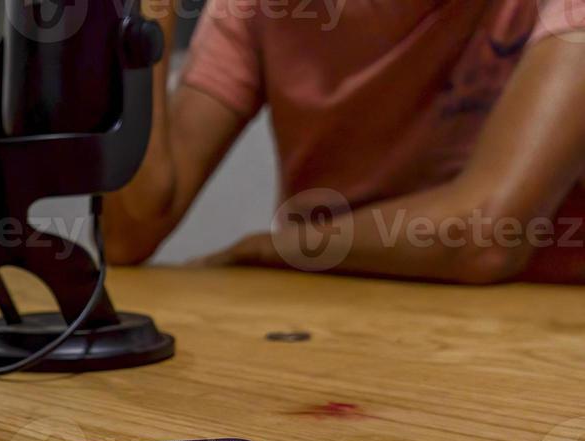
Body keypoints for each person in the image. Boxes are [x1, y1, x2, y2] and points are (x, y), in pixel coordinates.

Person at [107, 0, 585, 284]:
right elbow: (127, 232)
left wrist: (266, 250)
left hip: (528, 342)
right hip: (330, 320)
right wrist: (148, 13)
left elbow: (485, 235)